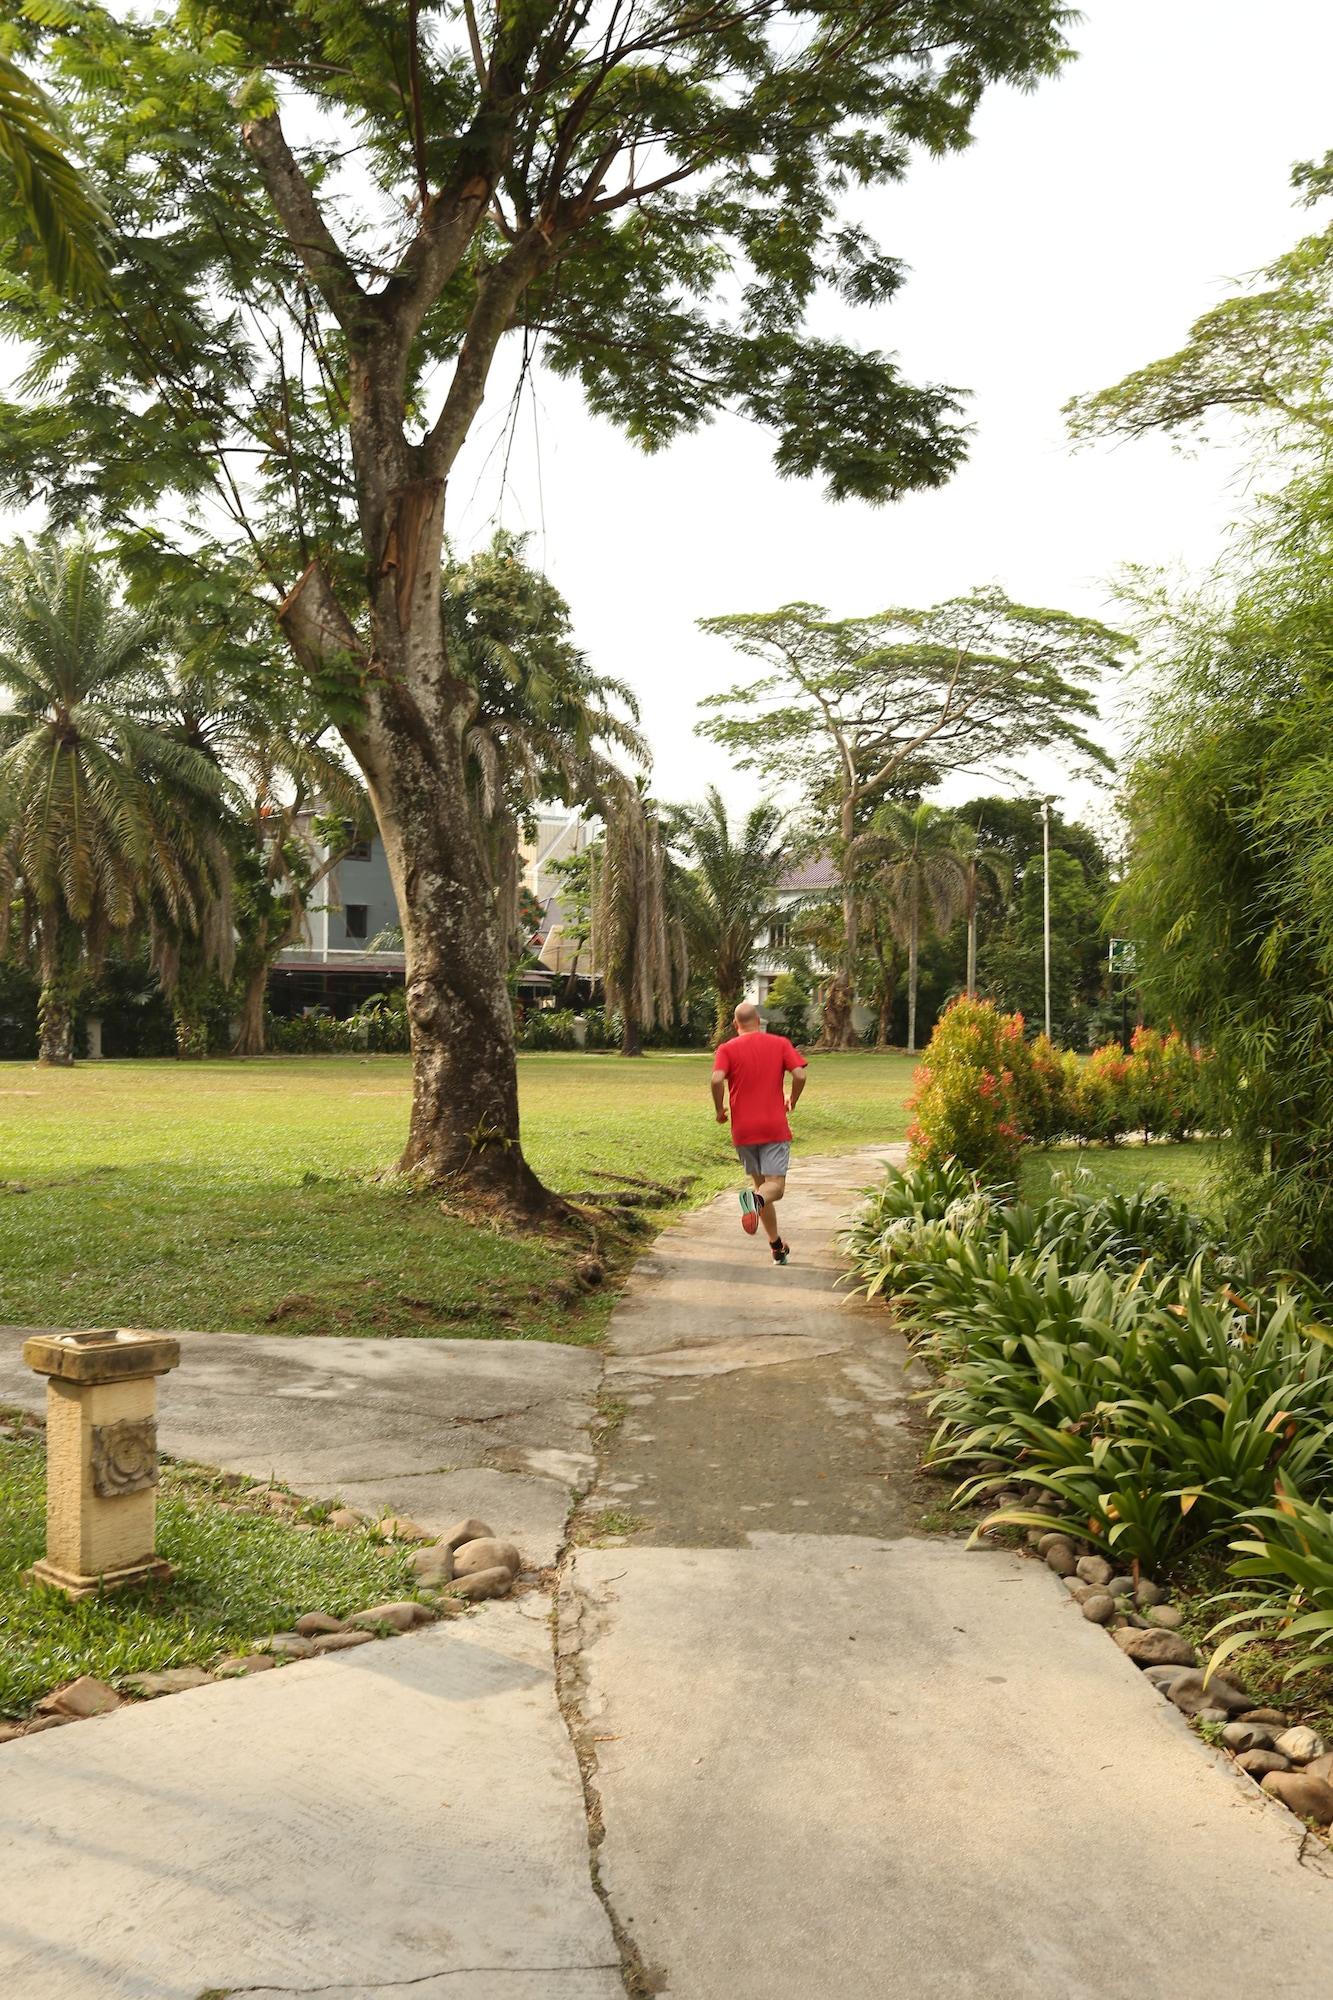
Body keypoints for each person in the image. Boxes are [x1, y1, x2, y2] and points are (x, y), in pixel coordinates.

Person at [710, 1000, 808, 1265]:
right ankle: (754, 1202)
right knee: (774, 1188)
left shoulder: (726, 1049)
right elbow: (800, 1075)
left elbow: (716, 1079)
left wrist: (719, 1109)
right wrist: (792, 1100)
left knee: (762, 1189)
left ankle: (776, 1246)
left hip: (743, 1130)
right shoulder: (780, 1043)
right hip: (773, 1126)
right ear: (758, 1021)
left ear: (735, 1024)